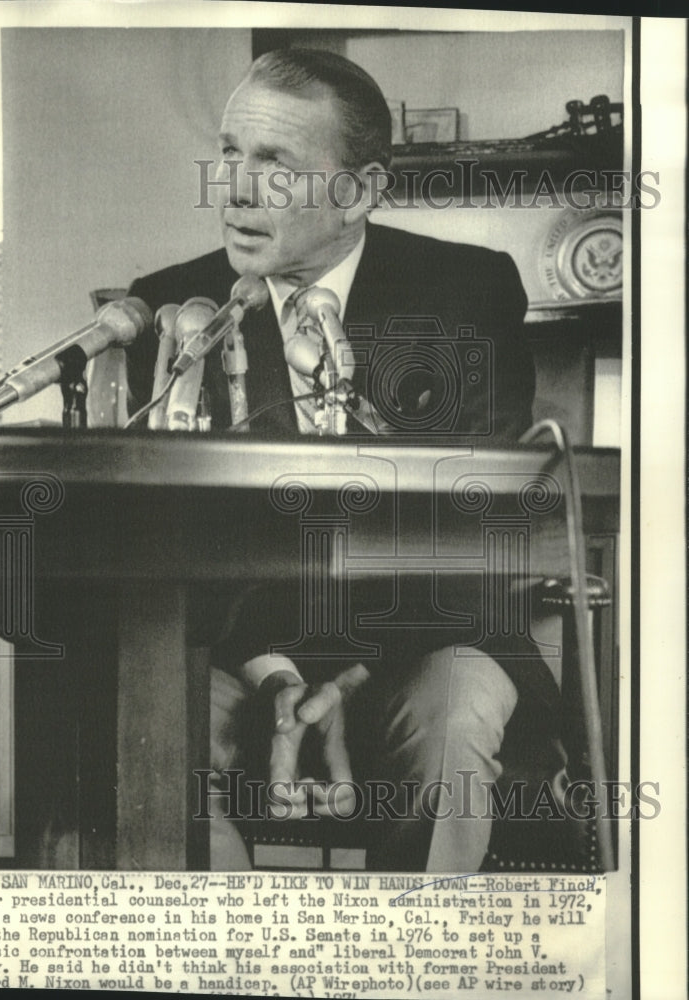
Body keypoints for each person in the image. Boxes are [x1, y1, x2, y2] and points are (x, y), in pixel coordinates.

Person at [125, 48, 562, 871]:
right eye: (230, 153)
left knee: (455, 723)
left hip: (428, 637)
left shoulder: (466, 293)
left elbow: (479, 525)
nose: (235, 190)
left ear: (358, 192)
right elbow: (160, 538)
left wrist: (350, 675)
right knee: (150, 739)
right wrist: (274, 673)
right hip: (236, 647)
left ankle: (420, 947)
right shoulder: (172, 308)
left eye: (275, 164)